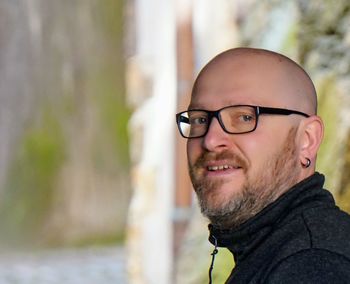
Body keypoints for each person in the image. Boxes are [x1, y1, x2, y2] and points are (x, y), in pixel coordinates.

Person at [176, 47, 350, 283]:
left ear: (307, 140)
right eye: (200, 120)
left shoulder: (312, 264)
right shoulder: (281, 251)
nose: (211, 140)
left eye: (245, 117)